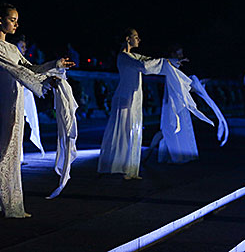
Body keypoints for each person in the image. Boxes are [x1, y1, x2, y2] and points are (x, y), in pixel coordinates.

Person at [0, 3, 74, 218]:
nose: (16, 24)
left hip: (14, 102)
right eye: (12, 19)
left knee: (11, 151)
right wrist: (43, 81)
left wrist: (54, 65)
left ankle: (5, 202)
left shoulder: (12, 48)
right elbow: (15, 70)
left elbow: (29, 68)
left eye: (16, 20)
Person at [98, 28, 166, 179]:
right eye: (136, 37)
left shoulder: (133, 55)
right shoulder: (123, 57)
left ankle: (130, 169)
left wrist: (170, 62)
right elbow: (144, 66)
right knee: (122, 132)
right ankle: (118, 166)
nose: (139, 39)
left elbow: (147, 60)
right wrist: (163, 62)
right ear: (128, 39)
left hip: (133, 99)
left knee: (133, 132)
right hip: (124, 98)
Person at [154, 45, 228, 164]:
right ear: (173, 55)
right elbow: (178, 86)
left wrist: (197, 85)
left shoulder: (176, 70)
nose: (181, 56)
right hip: (171, 104)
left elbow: (184, 86)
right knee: (169, 128)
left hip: (180, 104)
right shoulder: (169, 68)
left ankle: (177, 154)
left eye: (181, 54)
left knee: (179, 128)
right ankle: (167, 154)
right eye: (179, 54)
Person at [11, 34, 45, 163]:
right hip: (13, 97)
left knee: (20, 126)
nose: (24, 50)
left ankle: (18, 157)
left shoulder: (23, 62)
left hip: (23, 97)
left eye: (25, 47)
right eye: (22, 47)